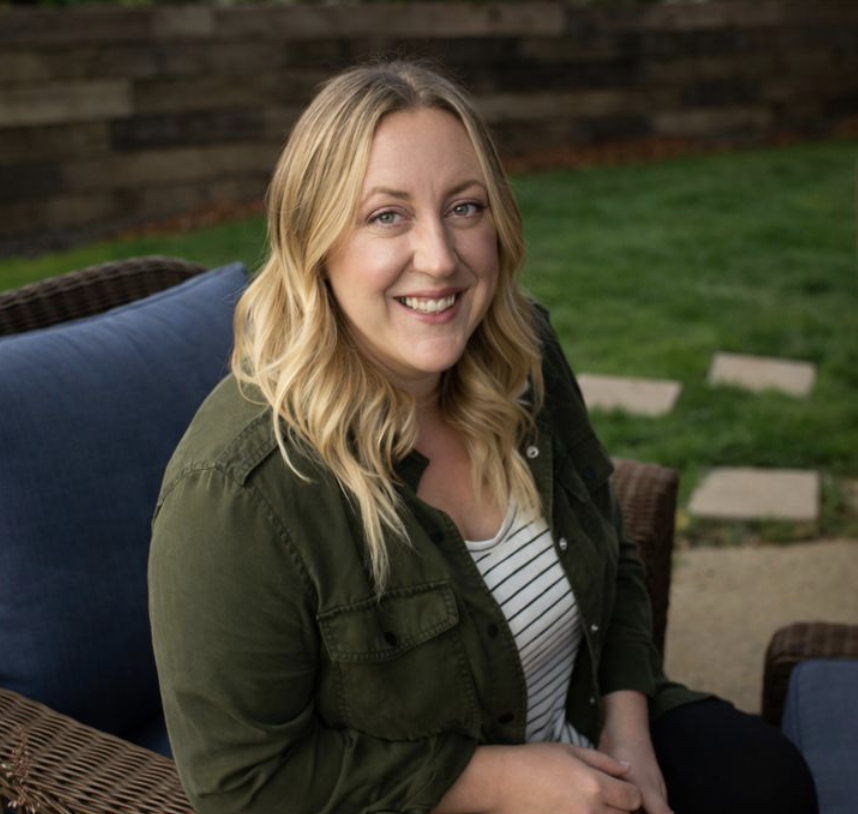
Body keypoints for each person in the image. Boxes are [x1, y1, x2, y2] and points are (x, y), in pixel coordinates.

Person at [148, 59, 817, 814]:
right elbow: (242, 785)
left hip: (585, 728)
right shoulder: (237, 493)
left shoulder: (520, 354)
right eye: (387, 216)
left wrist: (629, 736)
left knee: (771, 782)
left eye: (464, 208)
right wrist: (502, 782)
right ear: (314, 242)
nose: (441, 258)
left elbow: (614, 553)